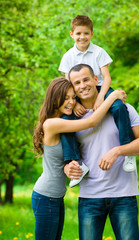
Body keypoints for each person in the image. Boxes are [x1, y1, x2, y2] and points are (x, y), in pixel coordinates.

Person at [64, 64, 139, 240]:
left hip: (124, 195)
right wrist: (68, 168)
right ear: (72, 88)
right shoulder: (72, 118)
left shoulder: (124, 109)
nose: (83, 85)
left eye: (86, 79)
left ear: (96, 79)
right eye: (77, 83)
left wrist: (118, 151)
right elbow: (64, 155)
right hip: (90, 196)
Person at [31, 77, 126, 240]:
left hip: (56, 197)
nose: (70, 102)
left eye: (72, 97)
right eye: (65, 98)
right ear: (55, 99)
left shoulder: (62, 121)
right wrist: (111, 97)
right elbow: (92, 122)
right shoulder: (52, 124)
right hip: (46, 197)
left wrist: (77, 105)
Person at [59, 15, 136, 188]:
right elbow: (67, 83)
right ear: (71, 34)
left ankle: (128, 149)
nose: (82, 37)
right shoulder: (68, 56)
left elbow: (107, 77)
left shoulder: (99, 52)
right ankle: (77, 163)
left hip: (101, 88)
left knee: (118, 107)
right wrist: (75, 102)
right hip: (76, 93)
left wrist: (102, 97)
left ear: (92, 34)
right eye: (78, 33)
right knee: (65, 121)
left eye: (86, 33)